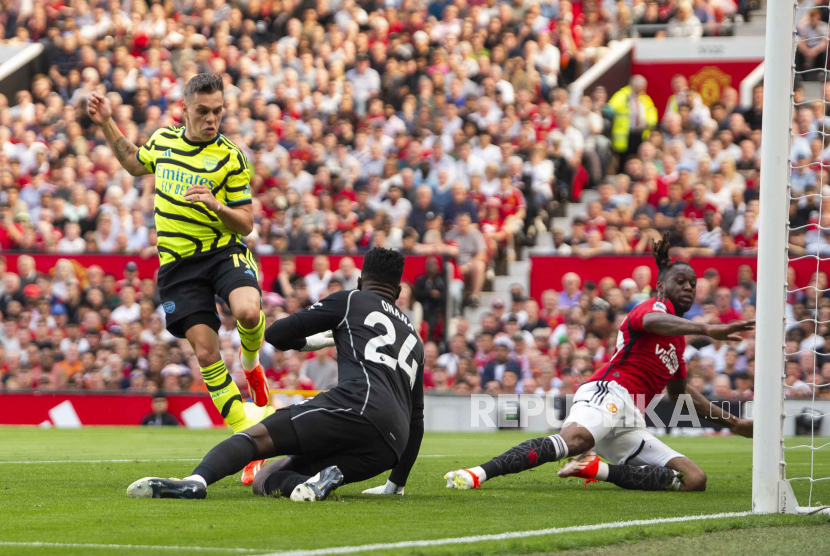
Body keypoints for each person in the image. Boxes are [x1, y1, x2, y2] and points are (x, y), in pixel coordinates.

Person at [444, 233, 755, 493]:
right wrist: (707, 328)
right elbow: (652, 320)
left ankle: (597, 469)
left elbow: (679, 393)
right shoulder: (653, 307)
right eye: (681, 281)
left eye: (693, 283)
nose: (689, 287)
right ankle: (477, 473)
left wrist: (734, 424)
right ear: (662, 286)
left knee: (694, 480)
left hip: (630, 419)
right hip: (608, 392)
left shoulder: (677, 341)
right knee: (575, 441)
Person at [127, 248, 425, 502]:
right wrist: (394, 484)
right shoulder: (414, 337)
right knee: (266, 480)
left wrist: (318, 340)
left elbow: (276, 333)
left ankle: (196, 481)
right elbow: (417, 420)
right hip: (389, 447)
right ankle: (319, 481)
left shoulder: (351, 300)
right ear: (398, 293)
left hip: (353, 408)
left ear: (360, 281)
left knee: (254, 438)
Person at [88, 74, 269, 484]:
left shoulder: (230, 157)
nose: (212, 119)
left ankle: (252, 364)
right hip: (178, 267)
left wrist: (217, 205)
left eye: (218, 111)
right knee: (206, 353)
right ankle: (251, 439)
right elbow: (135, 163)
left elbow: (246, 224)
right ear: (184, 109)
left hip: (222, 252)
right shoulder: (164, 141)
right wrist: (105, 122)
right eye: (203, 111)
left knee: (247, 310)